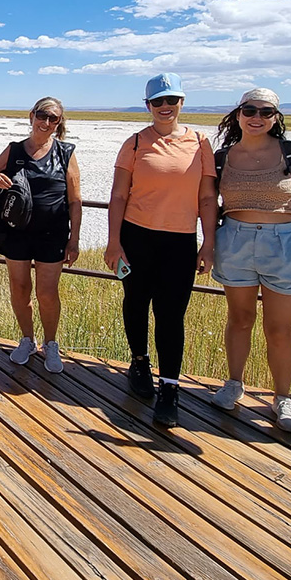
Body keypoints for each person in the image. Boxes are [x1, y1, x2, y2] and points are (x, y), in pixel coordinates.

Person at [105, 73, 218, 427]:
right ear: (148, 105)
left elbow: (206, 198)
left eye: (172, 100)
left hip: (179, 241)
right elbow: (119, 195)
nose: (165, 107)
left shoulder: (200, 143)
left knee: (171, 315)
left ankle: (170, 388)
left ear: (182, 102)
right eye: (158, 102)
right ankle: (139, 363)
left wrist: (208, 244)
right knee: (135, 304)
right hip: (136, 237)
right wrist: (113, 241)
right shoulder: (135, 143)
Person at [208, 88, 291, 433]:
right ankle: (234, 383)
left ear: (276, 117)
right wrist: (210, 241)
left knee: (279, 329)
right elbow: (209, 204)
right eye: (250, 110)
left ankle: (283, 397)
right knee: (239, 318)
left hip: (285, 243)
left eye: (266, 111)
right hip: (236, 240)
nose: (257, 117)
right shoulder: (223, 156)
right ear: (238, 114)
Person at [0, 97, 82, 374]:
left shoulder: (65, 152)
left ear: (59, 123)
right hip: (17, 232)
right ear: (31, 115)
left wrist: (74, 240)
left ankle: (51, 344)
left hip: (53, 233)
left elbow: (75, 200)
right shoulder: (14, 150)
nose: (46, 122)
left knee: (47, 294)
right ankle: (27, 339)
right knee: (20, 289)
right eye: (42, 115)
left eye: (54, 118)